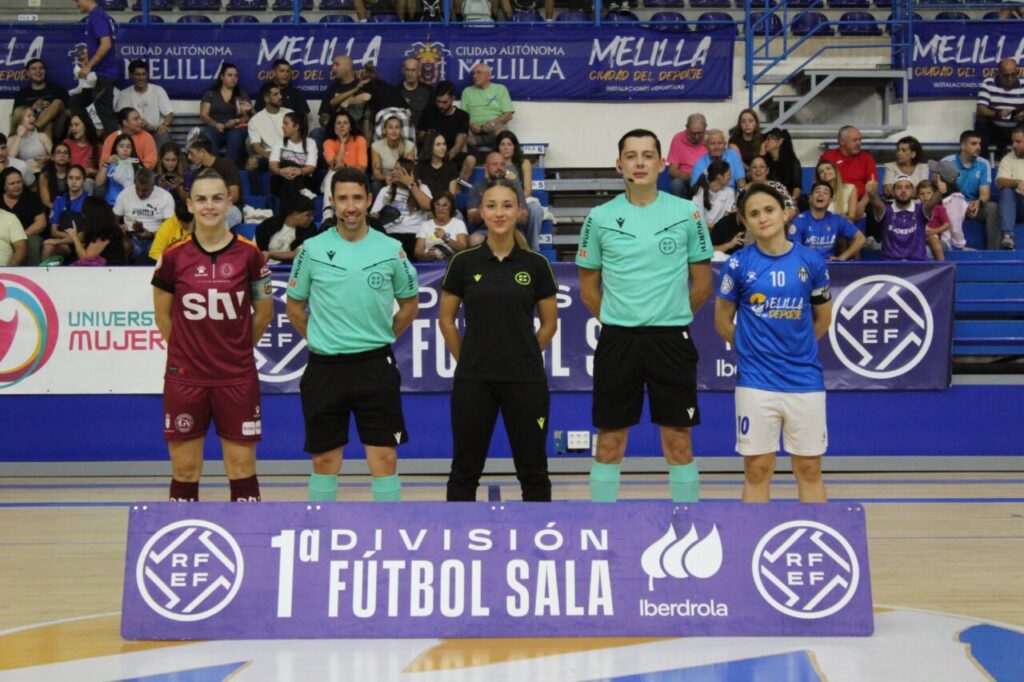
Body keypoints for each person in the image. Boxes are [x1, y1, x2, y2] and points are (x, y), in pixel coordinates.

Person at [576, 129, 714, 503]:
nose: (639, 163)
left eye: (647, 155)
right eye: (632, 156)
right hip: (618, 341)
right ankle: (602, 528)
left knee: (678, 442)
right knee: (610, 442)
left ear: (661, 163)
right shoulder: (599, 216)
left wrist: (669, 314)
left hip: (671, 340)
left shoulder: (687, 213)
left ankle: (688, 524)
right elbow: (589, 288)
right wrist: (620, 319)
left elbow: (702, 283)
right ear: (619, 165)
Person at [285, 167, 420, 503]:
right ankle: (322, 535)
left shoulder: (391, 249)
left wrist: (382, 336)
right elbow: (294, 308)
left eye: (357, 198)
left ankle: (389, 537)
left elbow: (409, 304)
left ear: (368, 200)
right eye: (342, 198)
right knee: (325, 460)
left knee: (384, 459)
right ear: (331, 202)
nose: (350, 206)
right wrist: (322, 339)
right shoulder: (311, 250)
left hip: (375, 366)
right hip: (325, 368)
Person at [153, 168, 273, 503]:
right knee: (186, 471)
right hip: (186, 378)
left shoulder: (249, 254)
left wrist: (235, 349)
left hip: (236, 376)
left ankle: (247, 549)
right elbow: (163, 314)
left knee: (242, 470)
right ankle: (186, 547)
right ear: (189, 204)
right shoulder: (174, 256)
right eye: (201, 199)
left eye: (217, 198)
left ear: (229, 202)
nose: (209, 206)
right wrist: (185, 352)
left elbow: (264, 312)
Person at [439, 178, 558, 502]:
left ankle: (541, 546)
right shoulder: (463, 263)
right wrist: (466, 360)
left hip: (526, 380)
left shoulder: (536, 265)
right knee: (464, 469)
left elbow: (549, 324)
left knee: (533, 470)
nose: (500, 213)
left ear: (519, 211)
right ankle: (457, 541)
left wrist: (527, 354)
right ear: (482, 212)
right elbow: (446, 320)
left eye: (507, 205)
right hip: (474, 380)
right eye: (491, 206)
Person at [714, 183, 833, 503]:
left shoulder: (812, 262)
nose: (762, 218)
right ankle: (752, 547)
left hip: (804, 381)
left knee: (809, 469)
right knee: (757, 468)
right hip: (755, 383)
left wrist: (797, 349)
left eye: (768, 210)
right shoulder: (737, 264)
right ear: (745, 222)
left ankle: (812, 546)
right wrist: (753, 351)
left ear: (785, 213)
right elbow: (722, 321)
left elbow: (823, 319)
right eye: (754, 213)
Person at [467, 151, 542, 250]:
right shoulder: (477, 188)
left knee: (520, 241)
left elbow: (523, 217)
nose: (499, 167)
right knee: (475, 240)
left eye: (502, 164)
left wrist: (505, 215)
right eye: (494, 164)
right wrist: (486, 207)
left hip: (511, 230)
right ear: (486, 167)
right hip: (486, 231)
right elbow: (472, 218)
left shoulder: (514, 186)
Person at [943, 130, 1001, 250]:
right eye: (974, 144)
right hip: (953, 205)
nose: (978, 147)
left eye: (979, 144)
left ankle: (993, 252)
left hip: (974, 207)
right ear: (963, 146)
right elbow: (943, 193)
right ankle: (951, 248)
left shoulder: (984, 164)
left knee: (993, 208)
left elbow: (985, 194)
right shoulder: (947, 163)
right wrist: (962, 205)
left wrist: (978, 203)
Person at [71, 0, 118, 138]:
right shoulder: (96, 16)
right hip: (99, 73)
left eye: (77, 0)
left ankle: (113, 149)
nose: (76, 4)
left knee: (105, 114)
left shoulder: (97, 15)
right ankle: (93, 137)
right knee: (76, 102)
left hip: (104, 73)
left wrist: (89, 65)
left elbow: (106, 44)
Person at [865, 176, 941, 261]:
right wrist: (871, 193)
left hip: (918, 265)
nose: (903, 191)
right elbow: (877, 204)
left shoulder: (921, 209)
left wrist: (939, 192)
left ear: (913, 192)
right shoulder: (886, 210)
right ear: (892, 192)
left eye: (907, 187)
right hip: (889, 266)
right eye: (899, 188)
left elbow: (931, 203)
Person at [370, 157, 432, 255]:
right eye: (393, 169)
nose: (393, 172)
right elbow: (374, 216)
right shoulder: (385, 190)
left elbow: (429, 206)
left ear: (408, 172)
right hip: (391, 234)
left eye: (397, 169)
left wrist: (410, 184)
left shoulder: (422, 188)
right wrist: (376, 216)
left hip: (415, 235)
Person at [789, 181, 865, 260]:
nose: (821, 194)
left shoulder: (836, 219)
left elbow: (860, 238)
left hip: (829, 266)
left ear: (830, 200)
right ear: (810, 197)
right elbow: (794, 251)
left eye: (825, 193)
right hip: (806, 266)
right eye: (817, 191)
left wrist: (842, 257)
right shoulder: (800, 221)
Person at [114, 167, 175, 262]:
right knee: (123, 246)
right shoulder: (124, 195)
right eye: (137, 188)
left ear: (153, 185)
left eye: (145, 190)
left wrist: (151, 235)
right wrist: (120, 229)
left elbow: (169, 228)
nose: (140, 193)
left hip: (156, 238)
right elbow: (113, 221)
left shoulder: (165, 197)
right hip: (131, 238)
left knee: (162, 247)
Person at [417, 81, 474, 182]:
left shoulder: (462, 116)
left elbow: (458, 145)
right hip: (430, 154)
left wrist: (443, 159)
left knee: (470, 160)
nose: (441, 105)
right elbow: (420, 136)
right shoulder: (428, 112)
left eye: (444, 102)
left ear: (453, 99)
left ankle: (456, 190)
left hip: (450, 155)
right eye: (438, 101)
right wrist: (428, 137)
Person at [199, 63, 252, 168]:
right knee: (208, 135)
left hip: (234, 128)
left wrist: (235, 121)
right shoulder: (211, 94)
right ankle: (216, 168)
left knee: (236, 136)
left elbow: (246, 117)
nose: (233, 78)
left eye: (236, 76)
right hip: (215, 128)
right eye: (230, 75)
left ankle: (229, 169)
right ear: (222, 77)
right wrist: (216, 125)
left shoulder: (241, 94)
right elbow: (203, 115)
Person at [185, 137, 245, 228]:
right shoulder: (197, 173)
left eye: (191, 153)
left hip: (231, 207)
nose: (189, 157)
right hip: (206, 208)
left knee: (218, 219)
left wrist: (215, 206)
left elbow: (234, 196)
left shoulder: (226, 165)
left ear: (202, 152)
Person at [114, 60, 174, 150]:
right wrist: (137, 124)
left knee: (163, 135)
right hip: (133, 131)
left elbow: (169, 115)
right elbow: (122, 118)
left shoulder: (158, 90)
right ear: (131, 75)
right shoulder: (124, 94)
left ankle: (158, 164)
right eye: (137, 74)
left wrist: (164, 125)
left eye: (144, 74)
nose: (141, 78)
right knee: (124, 135)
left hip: (155, 131)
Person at [270, 111, 317, 217]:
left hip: (301, 179)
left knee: (290, 170)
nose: (283, 127)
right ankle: (298, 200)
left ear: (296, 126)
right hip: (280, 181)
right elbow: (272, 164)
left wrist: (300, 171)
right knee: (287, 163)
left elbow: (311, 167)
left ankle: (285, 216)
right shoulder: (279, 142)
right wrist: (280, 171)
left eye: (286, 124)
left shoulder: (310, 143)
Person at [976, 58, 1024, 160]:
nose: (1010, 78)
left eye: (1013, 74)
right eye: (1006, 75)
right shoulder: (988, 83)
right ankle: (983, 162)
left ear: (1017, 72)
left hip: (1017, 129)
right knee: (981, 121)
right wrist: (997, 114)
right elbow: (980, 108)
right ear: (999, 73)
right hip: (995, 129)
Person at [12, 59, 69, 143]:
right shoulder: (22, 94)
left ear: (45, 71)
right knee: (48, 124)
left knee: (57, 103)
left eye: (41, 68)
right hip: (29, 132)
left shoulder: (58, 90)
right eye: (34, 69)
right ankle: (38, 134)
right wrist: (32, 108)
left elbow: (70, 113)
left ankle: (36, 129)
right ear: (27, 73)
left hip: (57, 131)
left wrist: (51, 110)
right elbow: (16, 117)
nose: (38, 71)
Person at [40, 164, 88, 262]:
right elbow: (54, 231)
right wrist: (73, 238)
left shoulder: (90, 201)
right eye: (70, 178)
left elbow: (84, 235)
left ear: (84, 181)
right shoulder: (59, 201)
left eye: (78, 178)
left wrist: (59, 240)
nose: (73, 182)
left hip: (84, 243)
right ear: (66, 180)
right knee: (48, 247)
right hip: (66, 244)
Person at [59, 195, 126, 266]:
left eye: (85, 212)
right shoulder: (100, 228)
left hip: (110, 273)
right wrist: (56, 242)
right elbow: (81, 236)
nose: (83, 216)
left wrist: (75, 237)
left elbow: (85, 258)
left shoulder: (105, 234)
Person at [462, 63, 514, 151]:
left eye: (479, 73)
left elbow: (508, 114)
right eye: (473, 73)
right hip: (474, 134)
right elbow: (462, 115)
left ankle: (504, 163)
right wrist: (471, 125)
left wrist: (492, 123)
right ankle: (465, 162)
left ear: (488, 76)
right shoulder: (467, 91)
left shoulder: (500, 89)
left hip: (494, 131)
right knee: (460, 133)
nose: (475, 76)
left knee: (502, 132)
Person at [0, 168, 46, 265]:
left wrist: (19, 236)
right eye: (12, 184)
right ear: (4, 186)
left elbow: (41, 223)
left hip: (28, 235)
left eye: (19, 182)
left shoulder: (32, 197)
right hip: (5, 236)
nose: (17, 186)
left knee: (32, 242)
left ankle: (32, 274)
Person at [818, 125, 877, 200]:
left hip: (861, 201)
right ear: (842, 142)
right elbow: (820, 183)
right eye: (855, 140)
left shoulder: (866, 158)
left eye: (860, 140)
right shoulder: (828, 157)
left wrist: (862, 204)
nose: (859, 143)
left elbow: (873, 186)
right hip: (835, 199)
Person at [255, 194, 316, 264]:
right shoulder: (268, 225)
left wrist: (270, 254)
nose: (312, 218)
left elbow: (298, 253)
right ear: (295, 214)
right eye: (308, 215)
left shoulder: (311, 230)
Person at [318, 55, 370, 135]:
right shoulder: (331, 88)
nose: (333, 68)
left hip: (354, 129)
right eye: (333, 65)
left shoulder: (361, 85)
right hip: (333, 129)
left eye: (337, 64)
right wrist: (330, 126)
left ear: (348, 66)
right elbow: (324, 114)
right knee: (316, 133)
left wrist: (349, 102)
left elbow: (366, 99)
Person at [247, 84, 292, 175]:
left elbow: (296, 139)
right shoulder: (255, 120)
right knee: (252, 163)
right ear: (266, 99)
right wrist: (265, 154)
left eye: (280, 93)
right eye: (275, 94)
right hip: (268, 155)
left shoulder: (290, 114)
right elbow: (256, 145)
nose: (280, 96)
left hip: (288, 153)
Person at [414, 190, 467, 261]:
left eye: (445, 205)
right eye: (437, 204)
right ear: (433, 206)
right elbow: (418, 251)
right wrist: (425, 255)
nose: (440, 208)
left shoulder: (458, 223)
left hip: (451, 264)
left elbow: (463, 247)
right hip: (430, 265)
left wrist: (445, 238)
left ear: (451, 207)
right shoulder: (425, 225)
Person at [995, 125, 1024, 250]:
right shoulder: (1008, 159)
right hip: (1018, 206)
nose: (1014, 145)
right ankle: (1008, 237)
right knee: (1006, 191)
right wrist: (1017, 183)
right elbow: (1000, 182)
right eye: (1013, 141)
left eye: (1018, 141)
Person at [667, 113, 707, 199]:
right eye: (693, 133)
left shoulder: (710, 138)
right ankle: (681, 211)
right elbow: (672, 170)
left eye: (700, 133)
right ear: (687, 128)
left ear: (705, 129)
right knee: (676, 184)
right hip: (686, 178)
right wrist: (690, 176)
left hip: (706, 178)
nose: (697, 137)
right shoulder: (678, 139)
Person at [371, 114, 417, 189]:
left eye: (397, 127)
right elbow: (376, 173)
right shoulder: (376, 146)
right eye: (390, 127)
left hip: (403, 180)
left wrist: (396, 179)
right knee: (376, 184)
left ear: (401, 130)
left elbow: (409, 171)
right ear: (384, 130)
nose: (394, 131)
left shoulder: (410, 146)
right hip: (385, 180)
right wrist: (386, 178)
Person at [96, 133, 140, 207]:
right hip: (112, 204)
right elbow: (98, 183)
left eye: (128, 147)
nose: (125, 149)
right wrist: (106, 164)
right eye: (121, 146)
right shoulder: (110, 165)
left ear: (132, 149)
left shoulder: (137, 166)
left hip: (131, 206)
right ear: (116, 148)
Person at [691, 158, 735, 230]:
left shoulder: (729, 192)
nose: (730, 177)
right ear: (719, 176)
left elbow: (726, 217)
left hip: (720, 231)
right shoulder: (700, 192)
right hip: (702, 230)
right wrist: (714, 227)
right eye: (729, 174)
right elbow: (697, 219)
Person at [7, 108, 51, 178]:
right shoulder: (11, 140)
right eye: (29, 116)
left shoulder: (43, 136)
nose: (33, 118)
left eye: (33, 116)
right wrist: (19, 137)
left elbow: (54, 156)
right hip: (23, 176)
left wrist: (47, 158)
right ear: (19, 119)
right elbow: (11, 159)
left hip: (42, 173)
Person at [322, 109, 368, 174]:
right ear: (334, 126)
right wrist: (342, 144)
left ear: (350, 127)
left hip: (356, 175)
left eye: (345, 123)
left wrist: (345, 166)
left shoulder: (360, 140)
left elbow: (362, 169)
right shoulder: (328, 143)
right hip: (336, 175)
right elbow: (335, 166)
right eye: (338, 123)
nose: (342, 126)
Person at [416, 131, 459, 198]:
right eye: (438, 144)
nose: (442, 148)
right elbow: (418, 193)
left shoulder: (450, 166)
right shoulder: (421, 166)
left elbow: (452, 195)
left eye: (444, 144)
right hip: (425, 204)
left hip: (445, 205)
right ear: (430, 146)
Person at [762, 128, 801, 200]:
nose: (765, 142)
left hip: (787, 200)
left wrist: (793, 201)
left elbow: (797, 186)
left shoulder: (792, 162)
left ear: (779, 142)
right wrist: (761, 155)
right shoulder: (764, 162)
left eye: (768, 139)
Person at [63, 112, 100, 183]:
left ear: (85, 126)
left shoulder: (97, 147)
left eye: (76, 125)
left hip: (86, 181)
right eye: (71, 125)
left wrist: (91, 171)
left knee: (88, 182)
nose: (73, 128)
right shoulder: (67, 143)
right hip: (68, 180)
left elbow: (103, 172)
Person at [917, 179, 948, 261]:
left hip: (932, 235)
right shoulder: (916, 208)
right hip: (918, 236)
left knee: (934, 242)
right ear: (918, 196)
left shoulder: (938, 208)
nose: (925, 196)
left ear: (934, 194)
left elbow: (947, 224)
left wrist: (935, 231)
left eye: (928, 193)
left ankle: (942, 264)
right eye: (922, 194)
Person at [495, 130, 533, 196]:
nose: (506, 148)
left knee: (534, 206)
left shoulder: (525, 163)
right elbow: (489, 190)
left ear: (514, 147)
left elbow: (527, 192)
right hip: (500, 200)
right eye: (502, 144)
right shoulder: (492, 164)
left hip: (521, 200)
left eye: (509, 144)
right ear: (498, 148)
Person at [399, 58, 433, 128]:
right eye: (407, 70)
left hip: (423, 132)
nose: (410, 74)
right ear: (403, 71)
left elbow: (432, 115)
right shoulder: (396, 91)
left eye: (413, 70)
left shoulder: (428, 90)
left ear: (419, 72)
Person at [38, 142, 72, 210]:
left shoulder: (73, 173)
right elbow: (46, 202)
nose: (62, 155)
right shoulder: (45, 176)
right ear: (52, 157)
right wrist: (60, 209)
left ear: (69, 158)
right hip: (51, 210)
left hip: (70, 208)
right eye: (58, 152)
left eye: (65, 153)